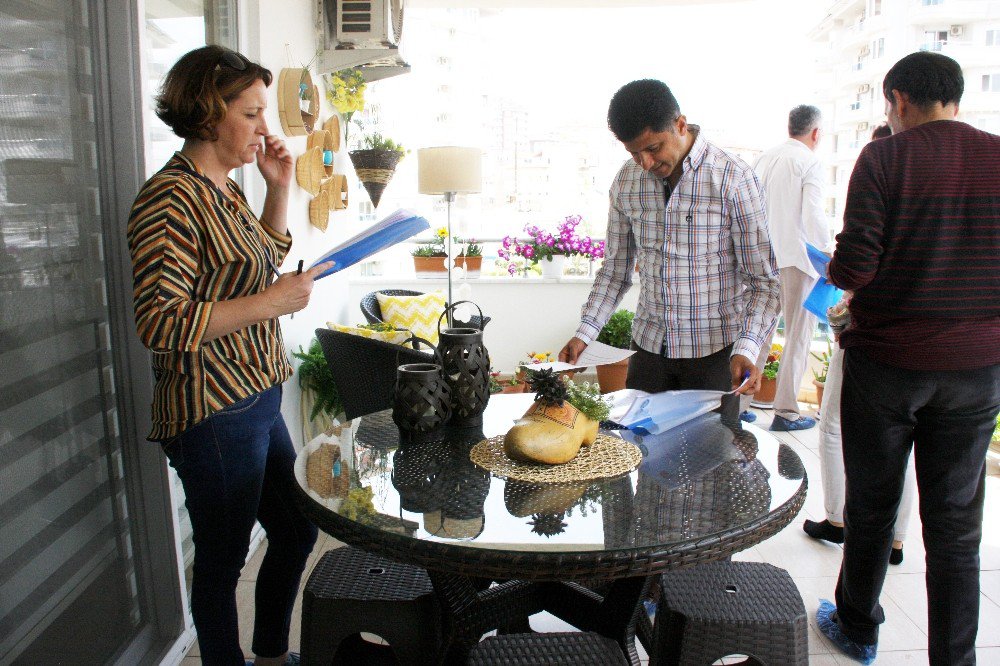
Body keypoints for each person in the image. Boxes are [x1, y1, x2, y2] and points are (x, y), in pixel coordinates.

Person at [127, 46, 334, 666]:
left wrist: (278, 189)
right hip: (213, 410)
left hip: (258, 394)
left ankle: (270, 653)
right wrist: (272, 302)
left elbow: (255, 264)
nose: (264, 129)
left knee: (295, 529)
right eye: (251, 114)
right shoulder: (171, 200)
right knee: (221, 561)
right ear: (208, 114)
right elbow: (159, 321)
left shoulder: (222, 189)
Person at [818, 52, 1000, 665]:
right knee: (955, 528)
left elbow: (856, 266)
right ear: (956, 97)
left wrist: (837, 270)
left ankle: (857, 625)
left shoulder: (884, 158)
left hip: (888, 367)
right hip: (977, 371)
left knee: (873, 505)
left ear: (896, 99)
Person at [558, 79, 780, 413]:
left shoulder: (733, 178)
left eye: (653, 148)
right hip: (648, 355)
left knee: (714, 462)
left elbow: (765, 284)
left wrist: (748, 348)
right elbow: (615, 271)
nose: (645, 162)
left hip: (715, 356)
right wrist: (584, 334)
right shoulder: (626, 181)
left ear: (680, 125)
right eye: (634, 152)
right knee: (642, 456)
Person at [803, 123, 917, 567]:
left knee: (832, 423)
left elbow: (854, 266)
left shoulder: (880, 174)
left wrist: (837, 271)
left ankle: (837, 519)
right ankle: (897, 539)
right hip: (926, 346)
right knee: (904, 443)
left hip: (868, 331)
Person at [742, 105, 829, 431]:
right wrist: (829, 254)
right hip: (797, 260)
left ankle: (740, 405)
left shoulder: (765, 158)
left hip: (763, 260)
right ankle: (786, 412)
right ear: (816, 133)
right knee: (797, 337)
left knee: (757, 333)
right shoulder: (809, 162)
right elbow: (813, 216)